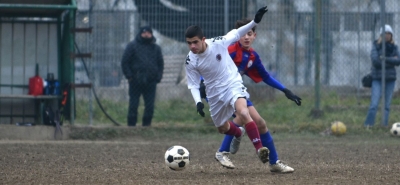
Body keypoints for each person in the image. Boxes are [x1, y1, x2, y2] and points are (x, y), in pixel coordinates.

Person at [201, 19, 300, 173]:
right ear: (236, 35)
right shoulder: (228, 50)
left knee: (260, 123)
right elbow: (208, 63)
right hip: (218, 93)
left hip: (235, 92)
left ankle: (274, 162)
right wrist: (202, 83)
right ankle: (223, 150)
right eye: (242, 34)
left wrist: (285, 90)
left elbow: (266, 77)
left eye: (249, 33)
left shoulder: (252, 56)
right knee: (242, 115)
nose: (246, 37)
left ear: (255, 35)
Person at [185, 6, 270, 164]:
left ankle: (260, 149)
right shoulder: (191, 60)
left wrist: (254, 21)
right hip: (214, 93)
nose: (192, 46)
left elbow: (236, 33)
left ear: (203, 39)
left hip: (232, 84)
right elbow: (193, 84)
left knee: (244, 113)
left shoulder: (218, 43)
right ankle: (238, 133)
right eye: (189, 43)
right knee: (222, 128)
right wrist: (198, 102)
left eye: (195, 42)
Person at [121, 26, 164, 127]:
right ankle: (131, 126)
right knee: (134, 104)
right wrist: (129, 76)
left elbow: (160, 64)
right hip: (135, 80)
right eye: (144, 33)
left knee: (149, 106)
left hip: (150, 81)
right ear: (140, 34)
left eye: (148, 33)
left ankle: (146, 125)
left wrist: (158, 77)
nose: (146, 35)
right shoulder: (132, 46)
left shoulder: (156, 48)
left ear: (151, 34)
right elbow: (125, 62)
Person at [364, 24, 400, 128]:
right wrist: (391, 60)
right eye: (385, 33)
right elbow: (375, 61)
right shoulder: (376, 45)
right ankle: (368, 125)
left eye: (389, 33)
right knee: (374, 104)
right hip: (377, 78)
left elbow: (398, 61)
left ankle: (384, 125)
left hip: (390, 79)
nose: (387, 35)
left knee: (386, 105)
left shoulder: (394, 47)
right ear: (381, 34)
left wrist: (385, 58)